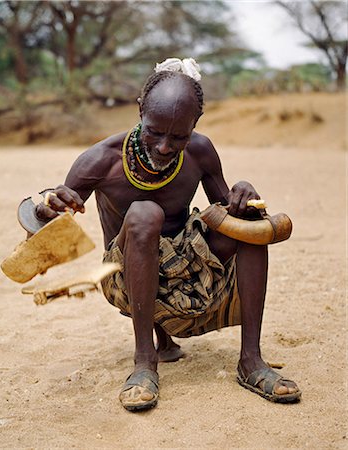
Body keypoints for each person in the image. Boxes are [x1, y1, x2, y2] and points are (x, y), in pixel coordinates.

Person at [33, 58, 301, 411]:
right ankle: (145, 361)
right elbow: (43, 232)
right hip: (126, 274)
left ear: (195, 124)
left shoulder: (201, 151)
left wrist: (245, 195)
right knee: (145, 213)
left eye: (178, 136)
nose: (163, 147)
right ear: (140, 109)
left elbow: (227, 212)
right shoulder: (100, 161)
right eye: (154, 131)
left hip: (190, 269)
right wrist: (45, 206)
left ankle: (251, 360)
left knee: (250, 226)